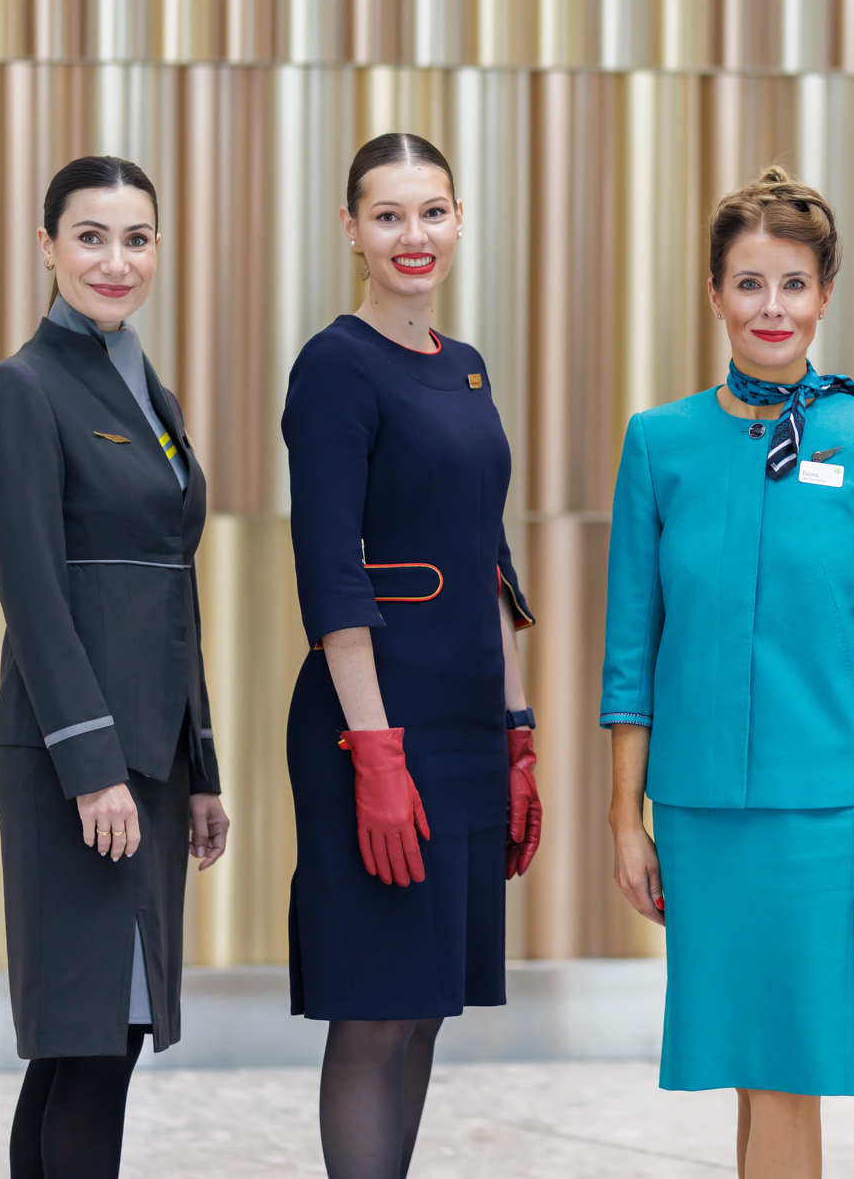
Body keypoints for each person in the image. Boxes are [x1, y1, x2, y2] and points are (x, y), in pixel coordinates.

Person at [601, 167, 854, 1179]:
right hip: (700, 813)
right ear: (712, 294)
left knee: (789, 1073)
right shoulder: (658, 444)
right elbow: (630, 648)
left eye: (792, 284)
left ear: (825, 293)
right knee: (749, 1073)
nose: (771, 308)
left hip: (825, 817)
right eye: (748, 284)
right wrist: (625, 817)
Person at [0, 155, 232, 1179]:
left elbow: (170, 586)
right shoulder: (20, 391)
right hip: (77, 766)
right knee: (84, 1039)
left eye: (136, 238)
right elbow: (33, 597)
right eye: (89, 236)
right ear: (46, 246)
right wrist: (94, 768)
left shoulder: (144, 391)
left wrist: (198, 764)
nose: (114, 260)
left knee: (98, 1044)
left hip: (148, 767)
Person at [281, 133, 541, 1179]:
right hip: (373, 723)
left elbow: (489, 557)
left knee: (429, 1004)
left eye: (430, 211)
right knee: (377, 1007)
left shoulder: (467, 367)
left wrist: (518, 732)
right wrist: (372, 746)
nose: (412, 235)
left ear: (458, 218)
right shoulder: (334, 365)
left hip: (468, 723)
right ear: (351, 231)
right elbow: (330, 566)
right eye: (388, 215)